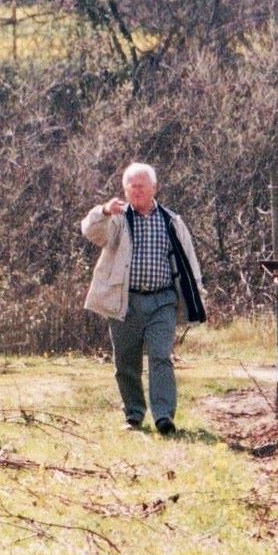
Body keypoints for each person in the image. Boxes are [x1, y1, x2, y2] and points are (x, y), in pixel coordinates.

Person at [81, 162, 206, 433]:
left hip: (162, 302)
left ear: (154, 188)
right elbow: (90, 232)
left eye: (140, 186)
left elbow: (189, 261)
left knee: (160, 357)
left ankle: (164, 417)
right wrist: (102, 211)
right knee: (126, 361)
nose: (135, 191)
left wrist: (198, 293)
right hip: (124, 302)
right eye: (130, 186)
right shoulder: (116, 219)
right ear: (124, 190)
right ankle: (134, 415)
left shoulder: (171, 221)